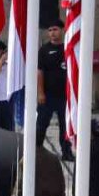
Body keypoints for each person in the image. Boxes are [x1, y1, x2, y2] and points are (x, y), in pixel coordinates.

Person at [36, 25, 74, 161]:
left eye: (55, 30)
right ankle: (37, 149)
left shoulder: (68, 48)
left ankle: (66, 152)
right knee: (41, 124)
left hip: (65, 96)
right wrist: (40, 92)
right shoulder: (44, 50)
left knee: (65, 125)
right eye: (50, 30)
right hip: (47, 95)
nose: (52, 33)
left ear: (62, 31)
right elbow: (39, 72)